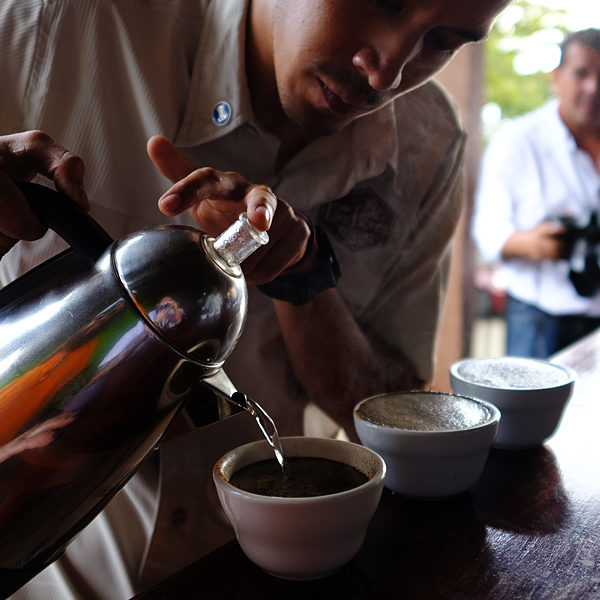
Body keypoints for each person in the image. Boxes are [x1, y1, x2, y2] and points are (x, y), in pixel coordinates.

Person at [0, 1, 511, 597]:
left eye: (443, 42)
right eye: (382, 1)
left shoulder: (430, 142)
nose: (387, 73)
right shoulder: (57, 26)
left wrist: (304, 276)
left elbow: (388, 416)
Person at [472, 28, 600, 358]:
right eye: (582, 73)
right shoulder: (518, 140)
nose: (593, 87)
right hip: (538, 318)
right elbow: (487, 231)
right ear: (556, 77)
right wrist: (534, 244)